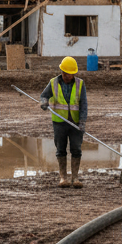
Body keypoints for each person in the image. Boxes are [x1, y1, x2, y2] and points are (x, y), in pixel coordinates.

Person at [40, 56, 87, 189]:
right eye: (65, 73)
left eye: (70, 74)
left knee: (76, 149)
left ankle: (75, 178)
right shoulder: (53, 82)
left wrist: (82, 122)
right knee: (60, 149)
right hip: (59, 123)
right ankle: (63, 178)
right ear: (61, 71)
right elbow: (44, 95)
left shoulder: (80, 84)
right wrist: (44, 102)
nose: (67, 76)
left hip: (75, 123)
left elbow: (84, 104)